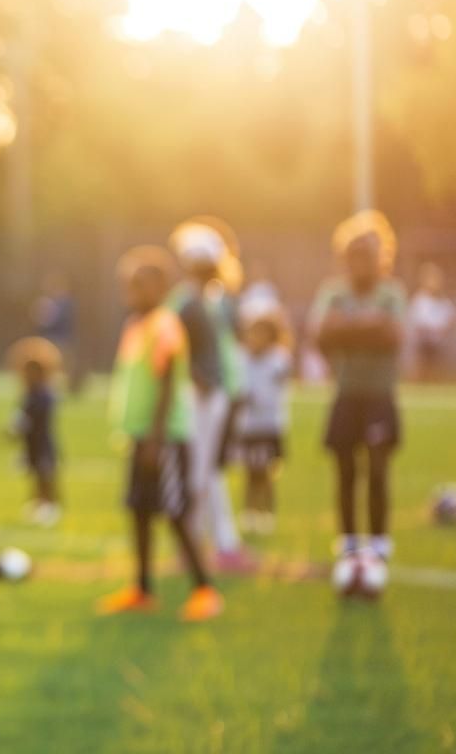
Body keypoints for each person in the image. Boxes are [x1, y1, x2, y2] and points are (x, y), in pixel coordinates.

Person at [97, 246, 222, 622]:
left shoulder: (165, 323)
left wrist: (155, 437)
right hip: (139, 435)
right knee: (138, 510)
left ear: (161, 287)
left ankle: (204, 589)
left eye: (139, 284)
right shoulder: (136, 323)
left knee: (176, 514)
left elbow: (167, 382)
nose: (130, 291)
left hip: (163, 438)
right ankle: (142, 588)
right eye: (127, 284)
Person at [309, 210, 406, 577]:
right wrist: (368, 328)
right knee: (345, 469)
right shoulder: (333, 292)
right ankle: (349, 540)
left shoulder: (391, 293)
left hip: (379, 394)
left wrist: (348, 330)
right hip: (347, 393)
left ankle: (379, 541)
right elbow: (322, 334)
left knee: (378, 469)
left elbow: (392, 337)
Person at [167, 221, 252, 573]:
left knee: (202, 473)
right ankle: (205, 543)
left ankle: (203, 544)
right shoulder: (194, 301)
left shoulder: (201, 301)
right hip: (204, 395)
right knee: (202, 473)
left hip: (208, 395)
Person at [236, 309, 293, 536]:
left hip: (269, 425)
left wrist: (254, 396)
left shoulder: (278, 359)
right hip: (249, 426)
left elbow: (275, 388)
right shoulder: (242, 358)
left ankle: (267, 514)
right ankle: (250, 514)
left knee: (266, 472)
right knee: (250, 471)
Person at [4, 336, 63, 527]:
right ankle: (38, 503)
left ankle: (51, 505)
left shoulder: (44, 394)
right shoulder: (29, 393)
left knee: (46, 475)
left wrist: (19, 427)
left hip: (42, 441)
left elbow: (33, 417)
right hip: (31, 442)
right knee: (35, 475)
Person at [407, 262, 456, 382]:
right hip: (424, 345)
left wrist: (444, 329)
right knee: (423, 374)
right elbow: (417, 323)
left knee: (438, 375)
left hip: (439, 346)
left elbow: (452, 319)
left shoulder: (443, 300)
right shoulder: (419, 300)